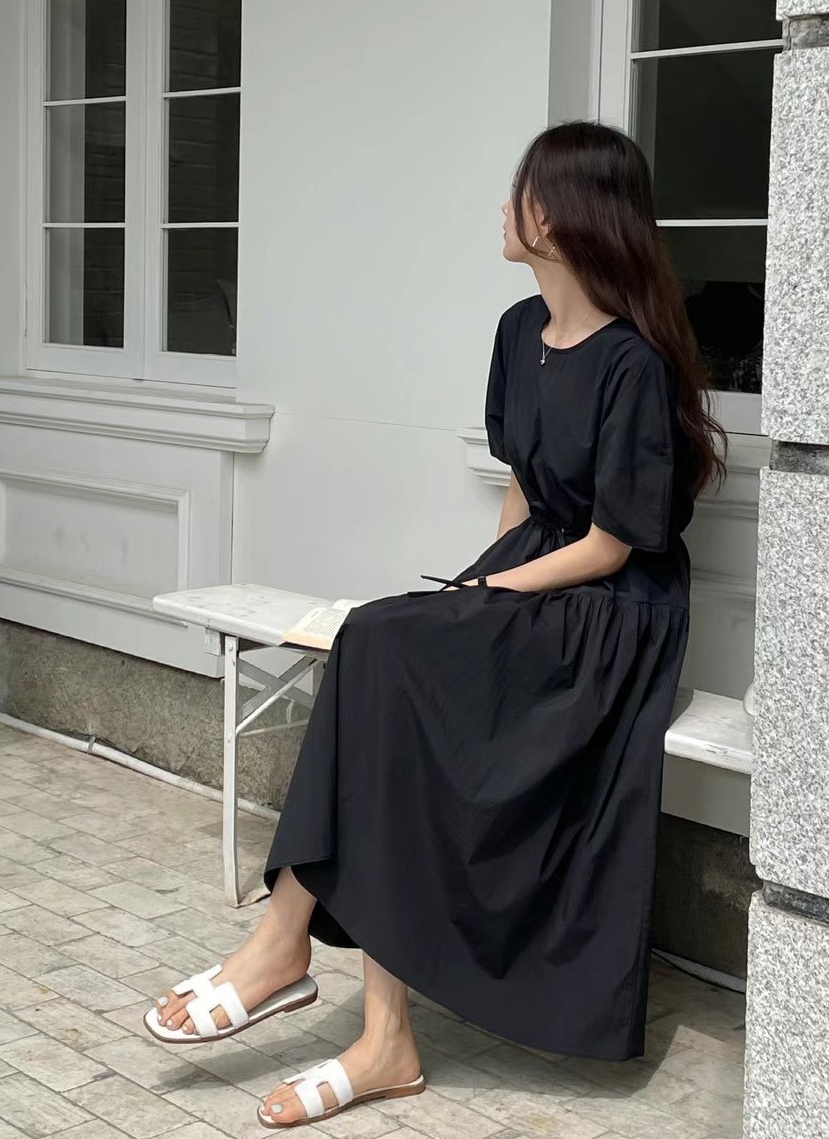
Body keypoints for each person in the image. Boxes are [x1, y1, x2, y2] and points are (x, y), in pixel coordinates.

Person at [144, 120, 728, 1128]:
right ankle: (368, 1022)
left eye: (521, 192)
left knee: (384, 648)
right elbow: (522, 487)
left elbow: (611, 544)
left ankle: (290, 949)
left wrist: (488, 601)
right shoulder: (518, 330)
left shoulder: (633, 364)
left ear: (564, 216)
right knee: (385, 652)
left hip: (611, 613)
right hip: (537, 577)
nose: (504, 208)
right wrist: (473, 589)